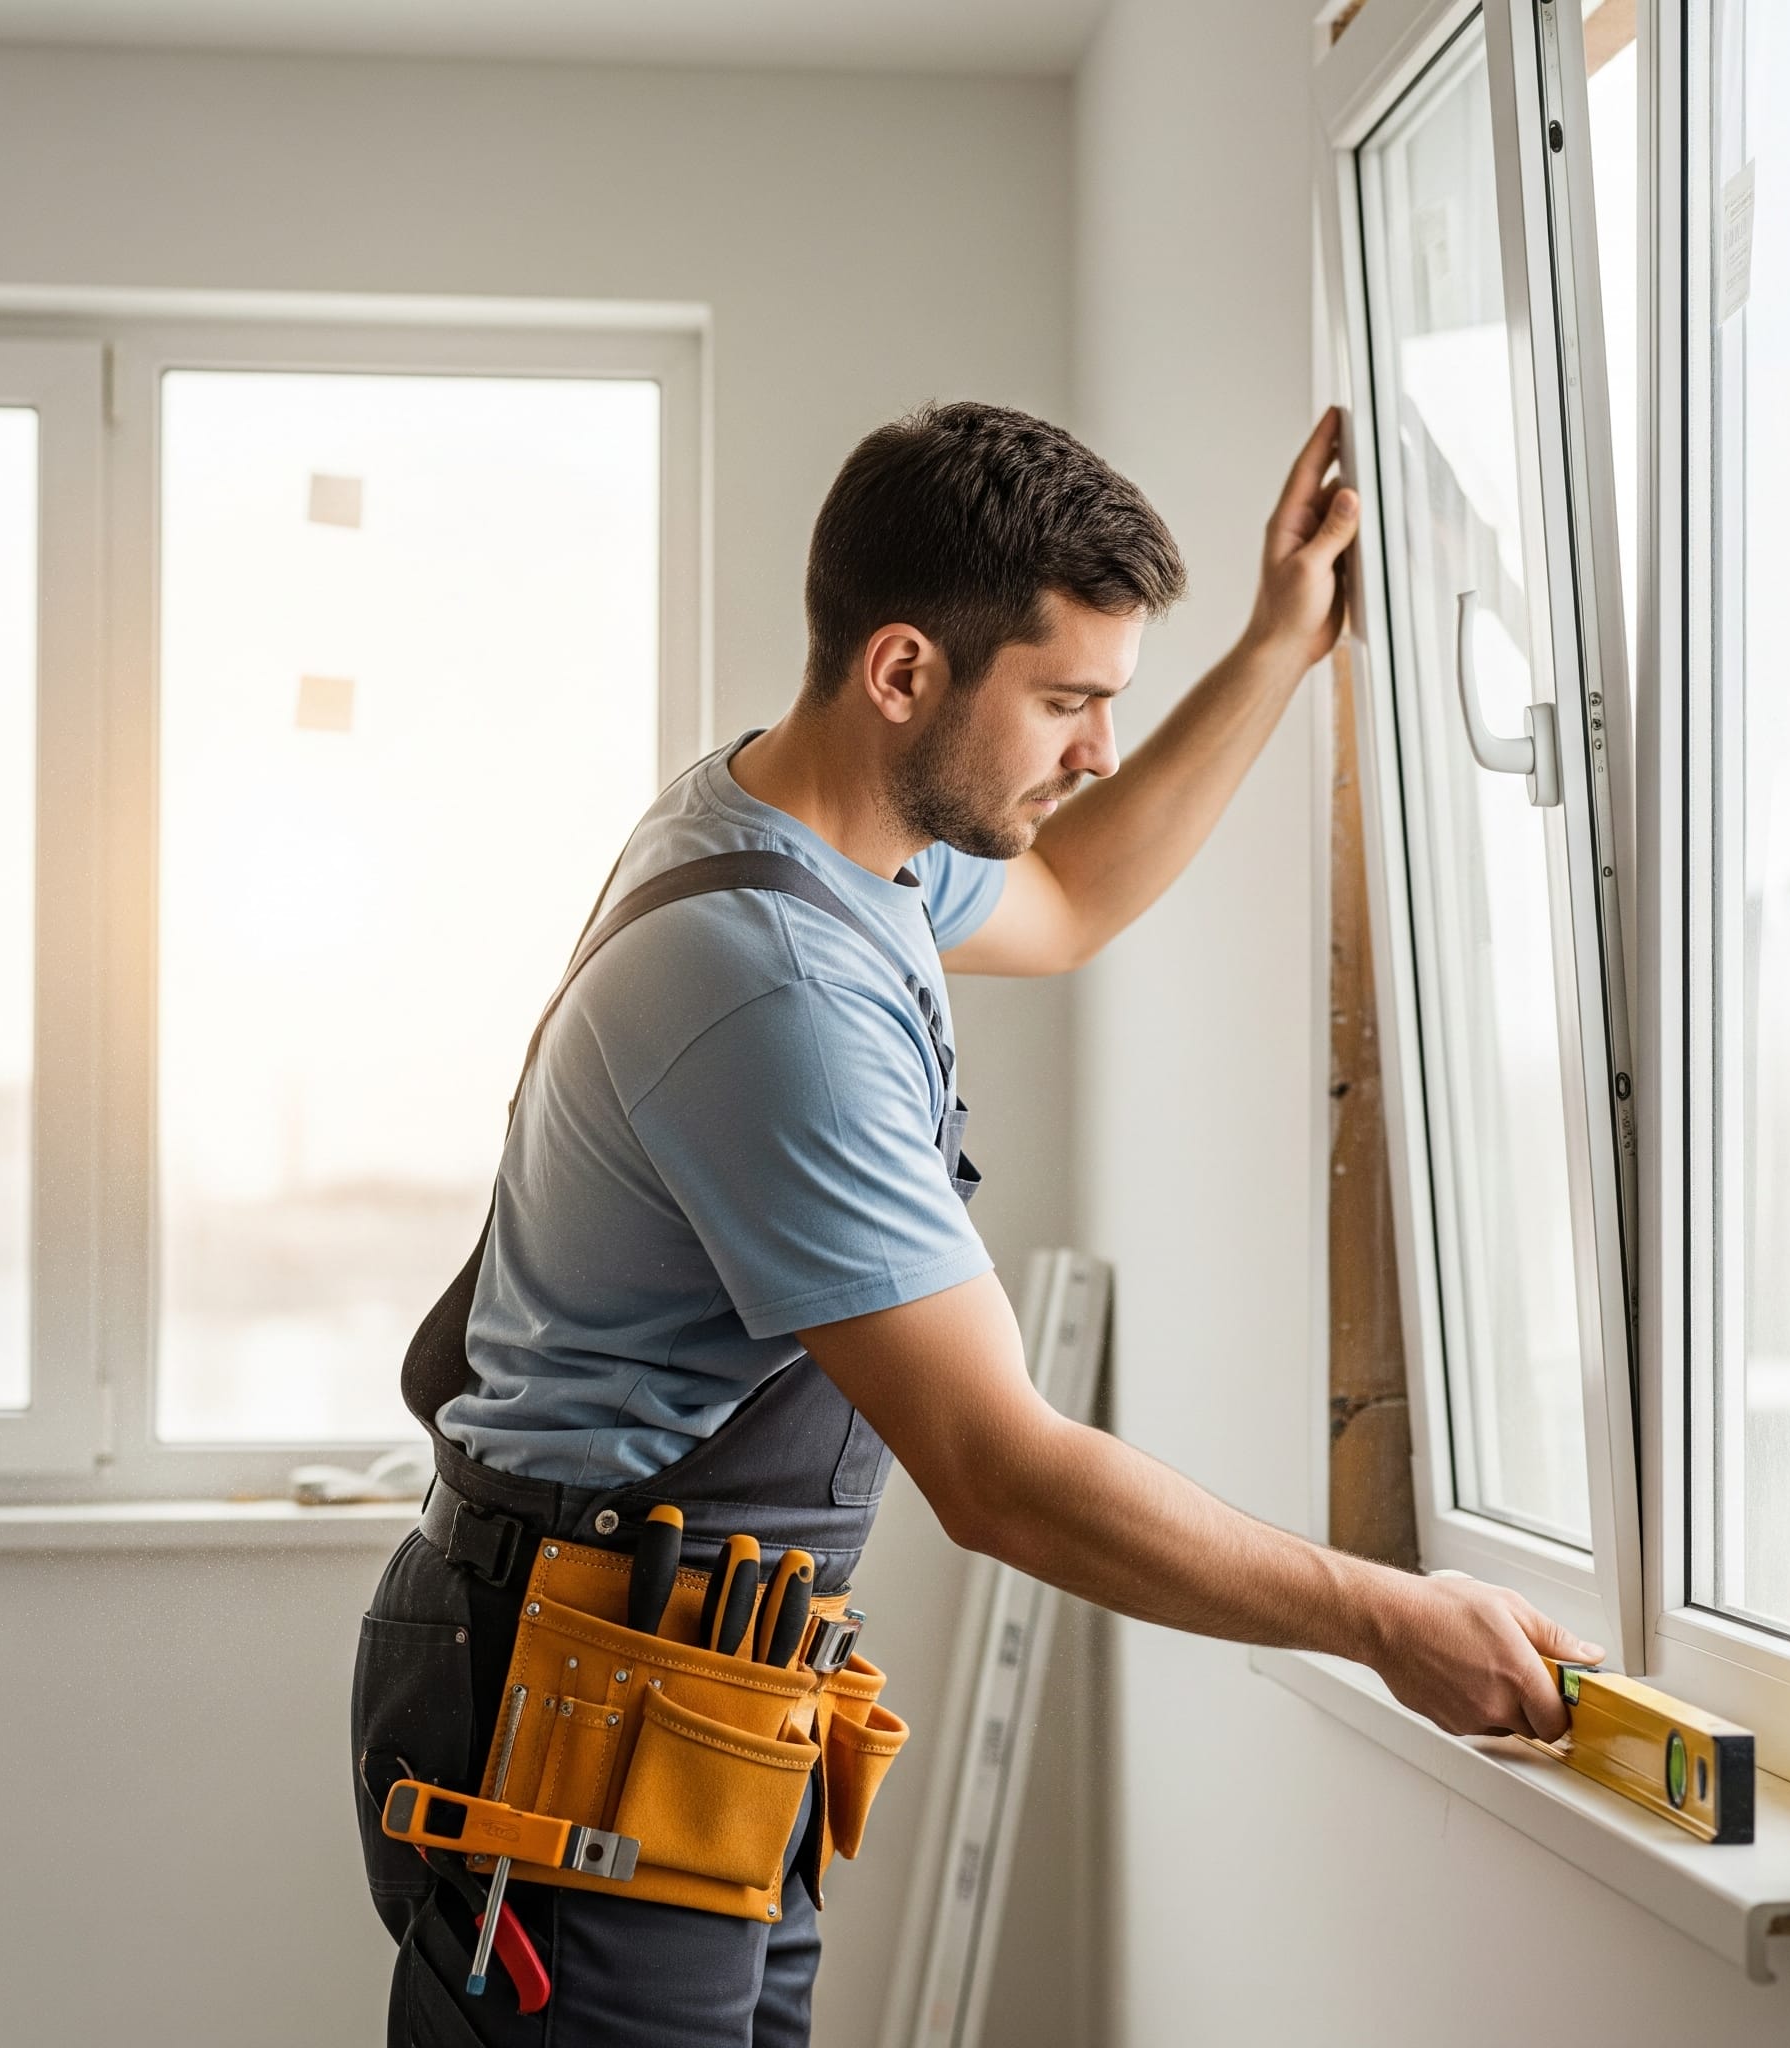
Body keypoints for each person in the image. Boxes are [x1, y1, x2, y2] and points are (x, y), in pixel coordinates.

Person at [351, 399, 1604, 2047]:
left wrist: (1280, 649)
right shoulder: (772, 990)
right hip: (578, 1718)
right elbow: (1002, 1474)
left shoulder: (826, 842)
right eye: (1068, 701)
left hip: (695, 1701)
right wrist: (1379, 1616)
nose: (1092, 747)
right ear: (901, 672)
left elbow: (1072, 895)